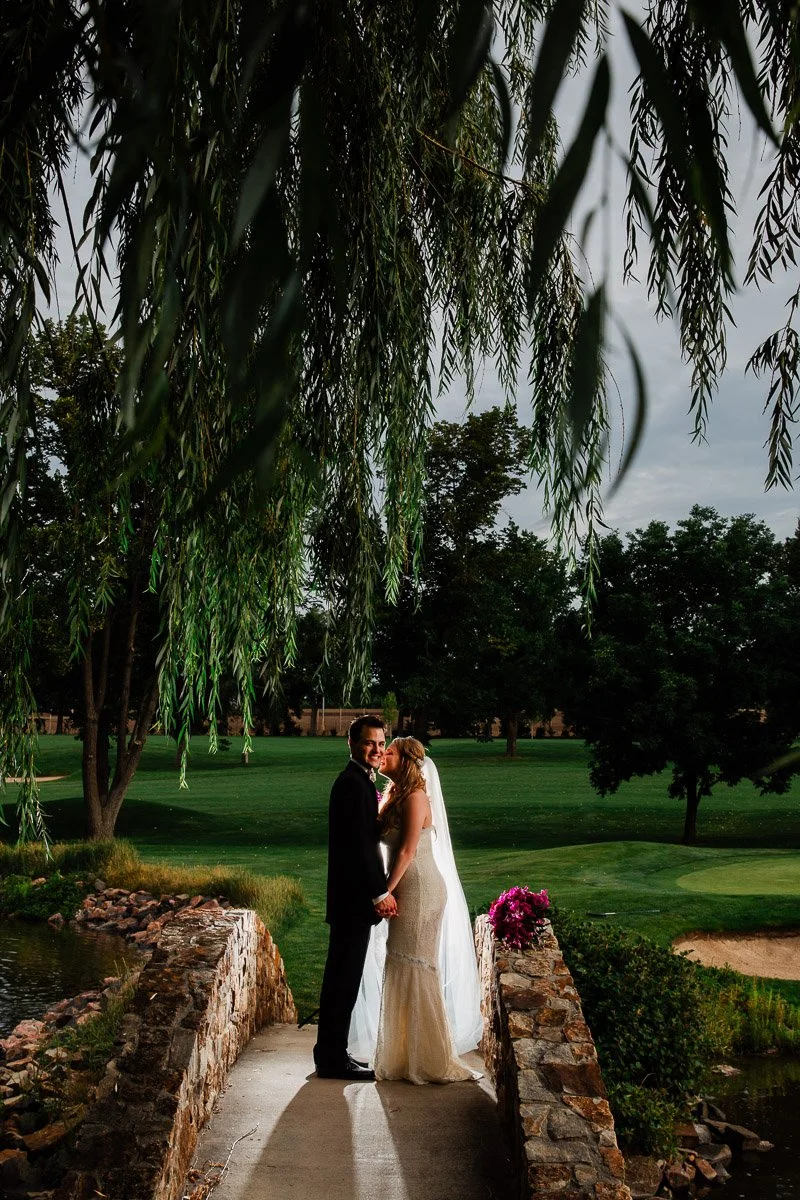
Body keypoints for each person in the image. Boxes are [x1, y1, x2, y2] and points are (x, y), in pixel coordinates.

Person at [354, 736, 483, 1084]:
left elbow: (408, 851)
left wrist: (383, 892)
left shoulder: (415, 797)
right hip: (405, 886)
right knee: (399, 963)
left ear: (406, 760)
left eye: (390, 751)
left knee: (417, 965)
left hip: (422, 889)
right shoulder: (393, 794)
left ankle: (430, 1057)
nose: (383, 754)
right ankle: (402, 1055)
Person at [313, 715, 397, 1081]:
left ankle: (330, 1052)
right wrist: (379, 893)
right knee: (342, 980)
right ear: (351, 744)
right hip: (352, 903)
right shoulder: (352, 784)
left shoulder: (359, 783)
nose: (376, 750)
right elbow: (360, 847)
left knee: (342, 978)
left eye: (380, 743)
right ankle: (332, 1058)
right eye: (369, 743)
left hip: (349, 902)